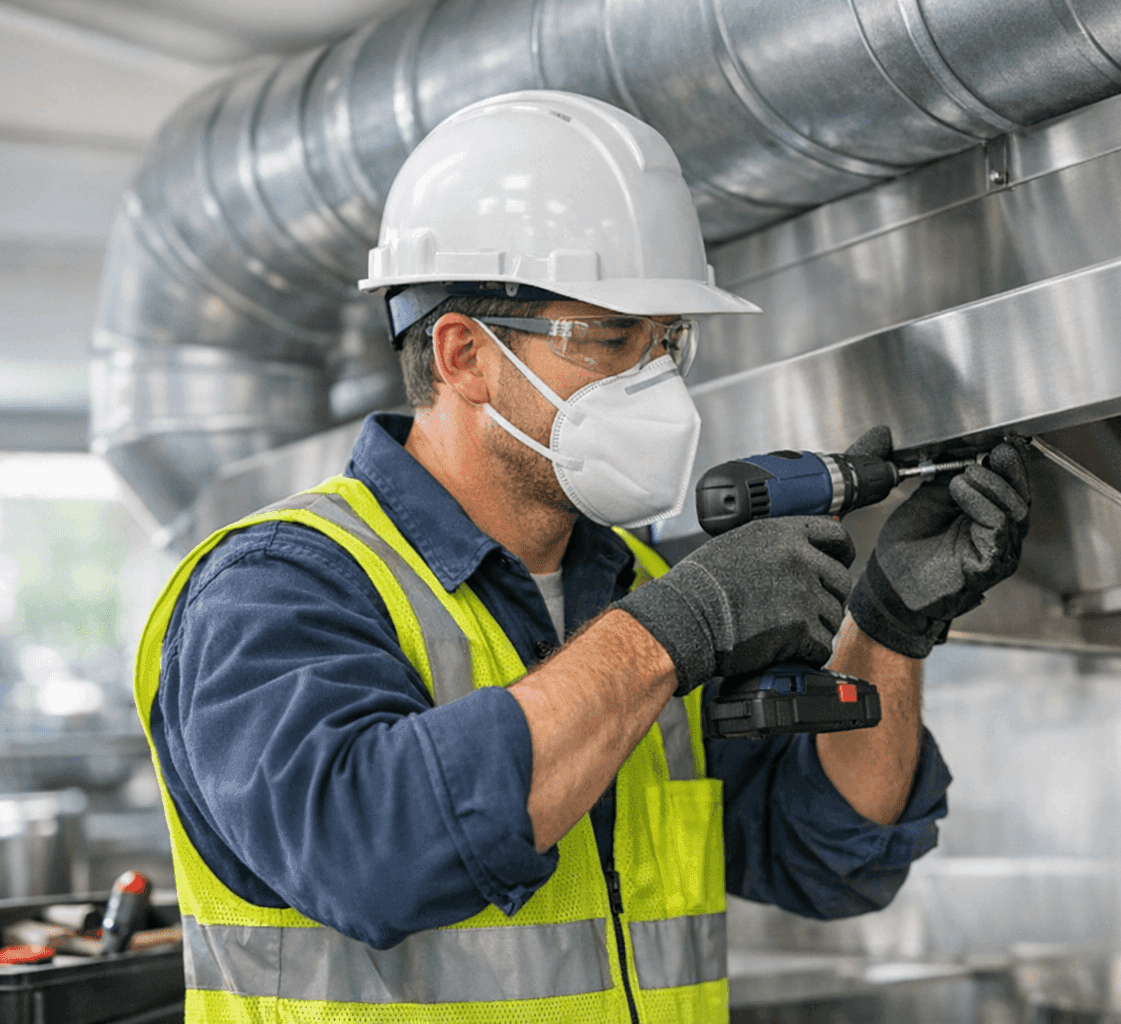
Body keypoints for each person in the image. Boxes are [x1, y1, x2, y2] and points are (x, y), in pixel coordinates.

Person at [133, 91, 1031, 1023]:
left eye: (667, 343)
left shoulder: (636, 590)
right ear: (464, 356)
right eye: (610, 340)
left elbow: (828, 856)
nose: (657, 383)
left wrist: (884, 628)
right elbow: (373, 854)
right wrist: (671, 634)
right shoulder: (278, 587)